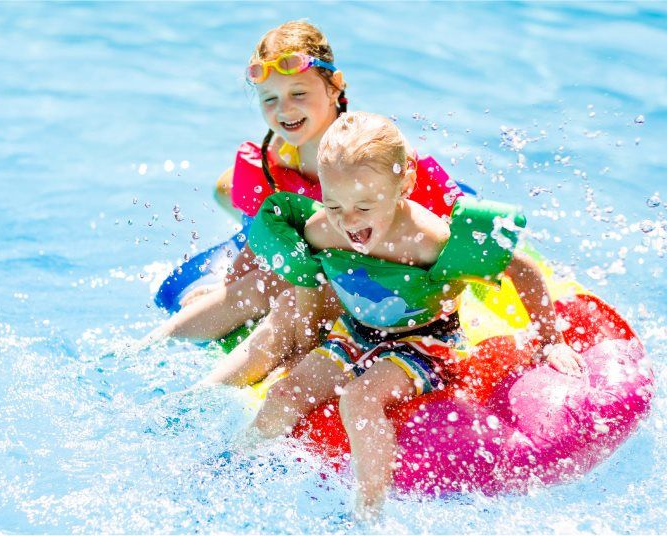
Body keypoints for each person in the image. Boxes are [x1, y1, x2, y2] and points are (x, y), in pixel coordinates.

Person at [245, 112, 585, 520]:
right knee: (285, 393)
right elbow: (314, 280)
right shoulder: (322, 229)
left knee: (360, 399)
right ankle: (238, 465)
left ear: (403, 185)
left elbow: (522, 269)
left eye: (364, 206)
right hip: (354, 331)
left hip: (425, 341)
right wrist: (309, 340)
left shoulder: (428, 239)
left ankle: (367, 512)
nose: (348, 220)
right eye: (334, 202)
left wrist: (550, 341)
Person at [142, 21, 463, 386]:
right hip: (313, 260)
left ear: (335, 86)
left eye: (298, 93)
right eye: (270, 99)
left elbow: (462, 225)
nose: (285, 109)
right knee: (255, 258)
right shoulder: (273, 161)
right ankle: (146, 351)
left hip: (367, 280)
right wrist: (226, 284)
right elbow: (265, 237)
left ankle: (217, 378)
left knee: (278, 290)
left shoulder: (373, 158)